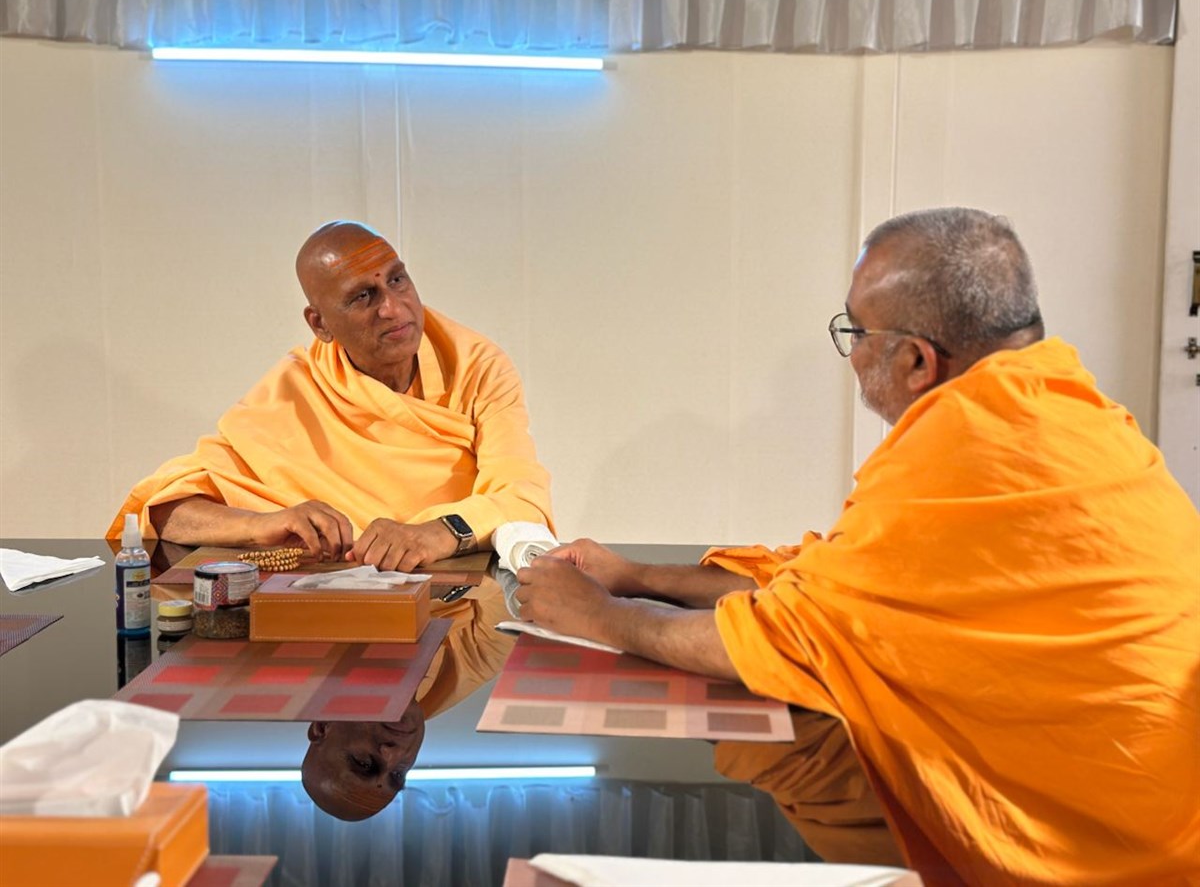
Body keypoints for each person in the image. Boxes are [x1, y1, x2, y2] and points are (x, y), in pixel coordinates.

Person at [515, 208, 1200, 885]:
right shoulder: (1072, 407)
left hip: (1108, 849)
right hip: (1155, 795)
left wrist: (597, 615)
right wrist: (635, 574)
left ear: (914, 360)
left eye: (857, 331)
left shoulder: (964, 447)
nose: (852, 352)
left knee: (796, 728)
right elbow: (836, 584)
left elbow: (779, 637)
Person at [107, 221, 553, 570]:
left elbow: (523, 498)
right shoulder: (296, 388)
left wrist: (437, 532)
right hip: (333, 591)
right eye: (363, 296)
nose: (393, 308)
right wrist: (263, 525)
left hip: (455, 590)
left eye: (398, 281)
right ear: (319, 324)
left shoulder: (476, 365)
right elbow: (165, 508)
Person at [303, 575, 515, 820]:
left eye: (363, 763)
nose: (392, 754)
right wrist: (447, 583)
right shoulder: (452, 679)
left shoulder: (299, 635)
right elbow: (518, 585)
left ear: (322, 727)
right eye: (397, 774)